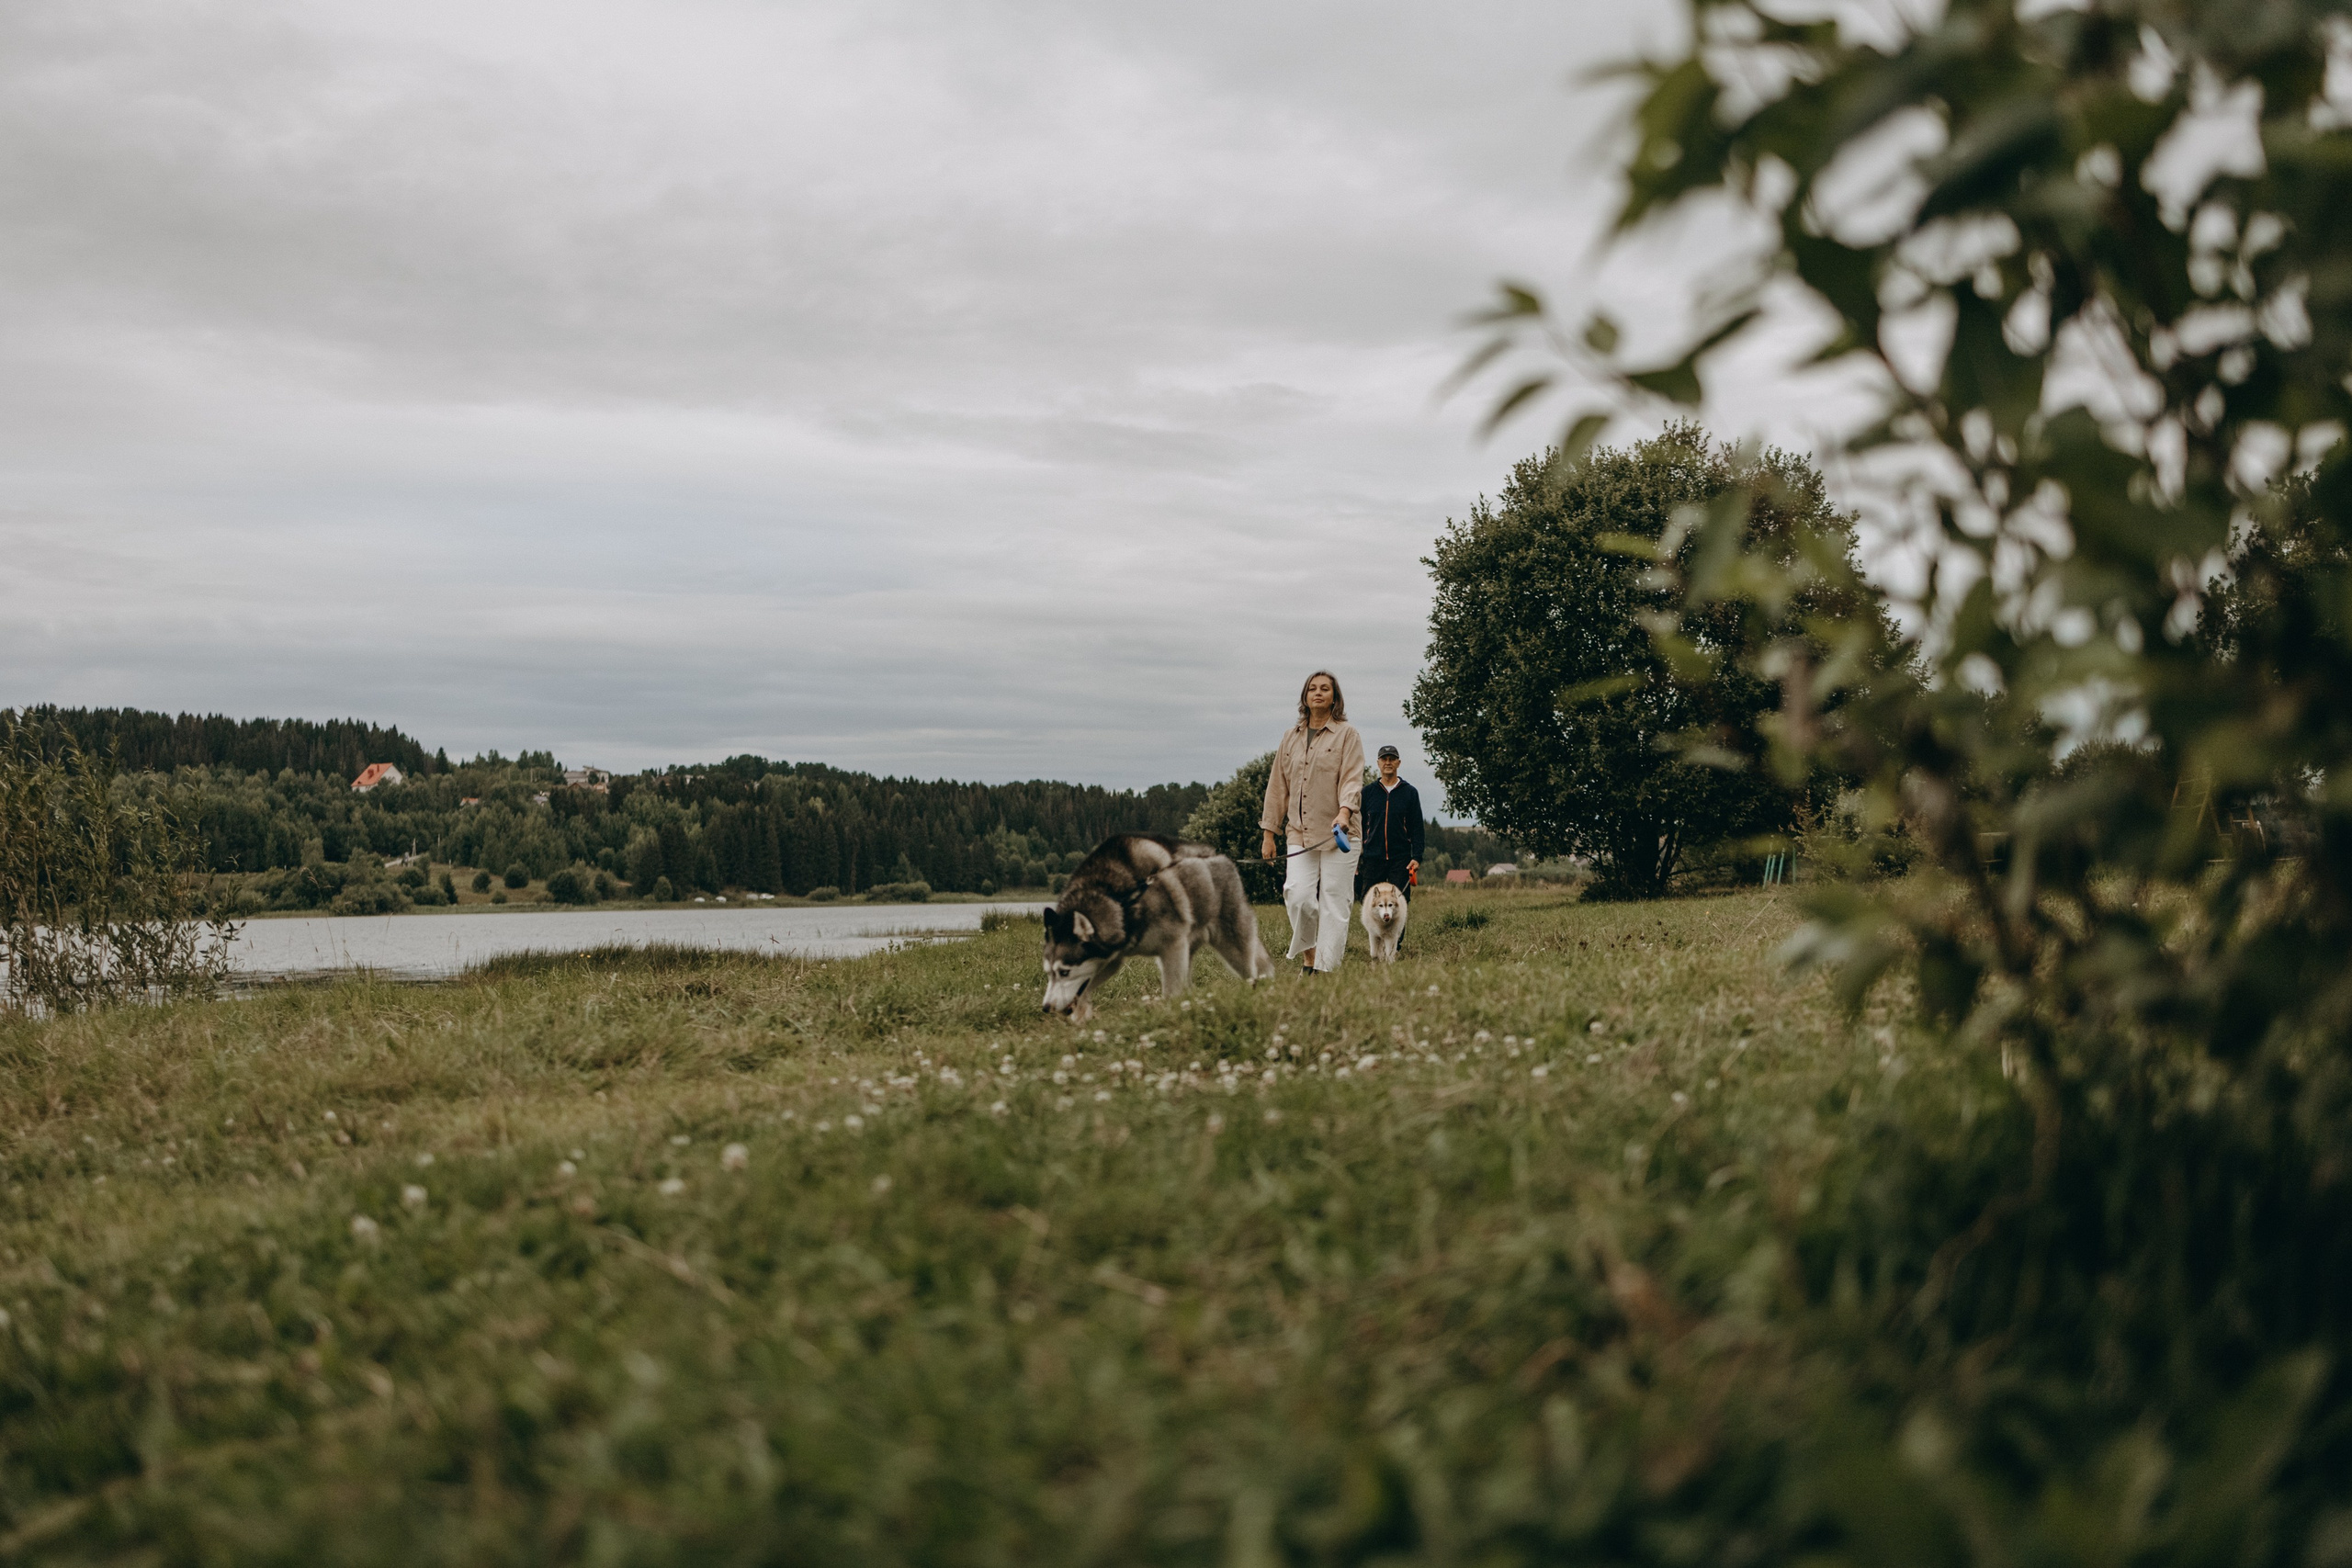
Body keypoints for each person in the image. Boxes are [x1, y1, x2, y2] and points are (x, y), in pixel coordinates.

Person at [1260, 671, 1363, 973]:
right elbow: (1277, 786)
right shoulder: (1290, 738)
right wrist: (1269, 833)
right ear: (1305, 697)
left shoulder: (1347, 735)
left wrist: (1345, 812)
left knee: (1334, 901)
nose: (1318, 693)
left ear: (1335, 698)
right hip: (1299, 833)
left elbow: (1352, 779)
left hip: (1340, 834)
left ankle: (1324, 971)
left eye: (1325, 689)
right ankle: (1310, 954)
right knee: (1298, 894)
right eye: (1312, 688)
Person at [1355, 745, 1425, 910]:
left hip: (1401, 858)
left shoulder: (1410, 792)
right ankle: (1375, 935)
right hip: (1372, 856)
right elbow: (1358, 825)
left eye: (1392, 759)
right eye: (1384, 759)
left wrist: (1417, 857)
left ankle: (1396, 937)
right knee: (1368, 900)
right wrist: (1356, 856)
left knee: (1400, 902)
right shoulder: (1368, 793)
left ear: (1398, 763)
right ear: (1378, 763)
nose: (1388, 762)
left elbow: (1417, 827)